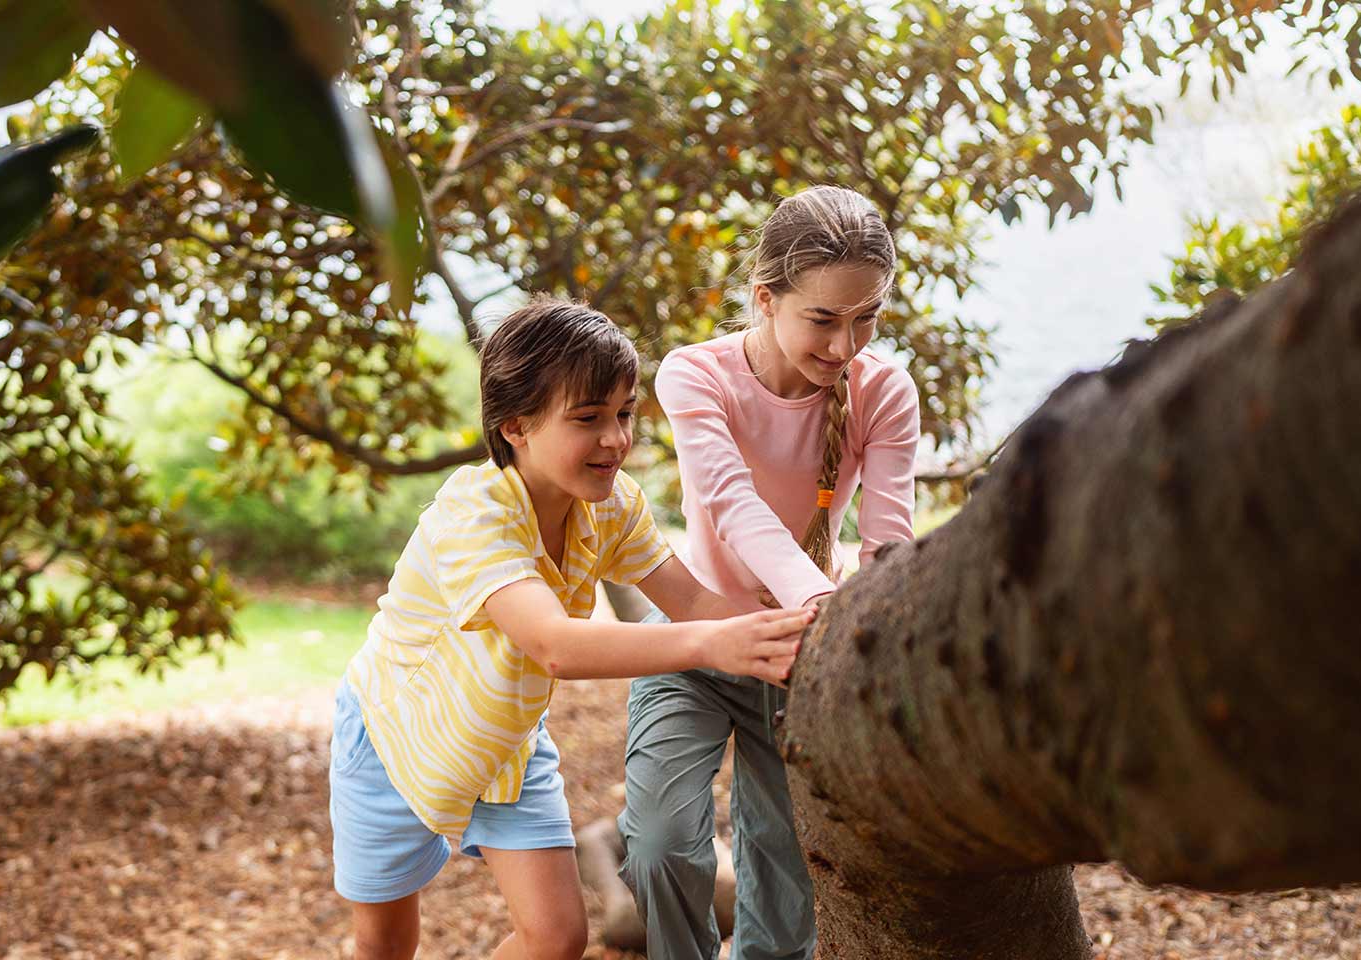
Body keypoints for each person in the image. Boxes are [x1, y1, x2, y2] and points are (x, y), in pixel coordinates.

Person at [331, 298, 818, 960]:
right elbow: (555, 646)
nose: (615, 439)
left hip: (505, 747)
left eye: (624, 414)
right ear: (516, 426)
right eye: (588, 418)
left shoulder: (612, 506)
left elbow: (692, 601)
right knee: (384, 945)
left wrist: (794, 635)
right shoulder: (474, 515)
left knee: (556, 937)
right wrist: (713, 646)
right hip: (396, 736)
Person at [617, 185, 922, 959]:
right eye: (823, 319)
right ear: (765, 298)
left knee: (788, 889)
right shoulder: (696, 374)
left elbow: (888, 547)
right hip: (695, 636)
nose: (845, 345)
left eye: (867, 317)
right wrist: (820, 600)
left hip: (800, 659)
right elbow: (732, 504)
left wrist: (857, 635)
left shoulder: (883, 392)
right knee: (659, 848)